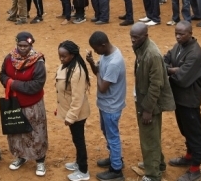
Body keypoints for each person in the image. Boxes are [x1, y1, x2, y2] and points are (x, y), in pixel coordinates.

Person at [130, 22, 175, 181]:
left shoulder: (152, 55)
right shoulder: (142, 48)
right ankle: (158, 164)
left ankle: (153, 174)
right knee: (151, 136)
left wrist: (148, 109)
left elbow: (157, 84)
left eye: (136, 37)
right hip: (144, 100)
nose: (132, 40)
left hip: (150, 104)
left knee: (149, 139)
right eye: (131, 37)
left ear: (145, 36)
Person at [0, 32, 48, 176]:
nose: (22, 48)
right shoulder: (9, 58)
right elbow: (2, 74)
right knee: (16, 131)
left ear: (31, 45)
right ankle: (21, 157)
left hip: (33, 105)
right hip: (14, 104)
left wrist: (12, 83)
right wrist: (7, 81)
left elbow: (36, 85)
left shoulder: (38, 61)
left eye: (25, 46)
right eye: (20, 45)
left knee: (36, 132)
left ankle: (40, 161)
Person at [163, 21, 201, 181]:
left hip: (190, 100)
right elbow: (165, 59)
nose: (178, 36)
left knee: (194, 132)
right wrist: (173, 69)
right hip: (179, 98)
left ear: (190, 33)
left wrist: (172, 70)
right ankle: (189, 156)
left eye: (181, 34)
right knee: (185, 129)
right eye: (176, 33)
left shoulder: (195, 53)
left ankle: (195, 168)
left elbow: (181, 78)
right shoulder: (179, 46)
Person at [85, 31, 127, 181]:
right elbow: (99, 71)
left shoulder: (114, 62)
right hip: (106, 104)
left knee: (113, 136)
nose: (96, 52)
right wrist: (91, 62)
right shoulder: (106, 54)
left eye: (96, 49)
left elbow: (103, 87)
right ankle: (115, 158)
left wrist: (96, 74)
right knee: (107, 132)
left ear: (103, 45)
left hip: (111, 106)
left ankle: (116, 170)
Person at [56, 40, 91, 181]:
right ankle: (78, 163)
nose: (61, 59)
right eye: (60, 56)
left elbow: (78, 98)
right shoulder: (67, 65)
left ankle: (83, 171)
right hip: (71, 111)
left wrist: (70, 117)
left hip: (77, 114)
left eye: (64, 56)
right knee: (76, 139)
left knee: (79, 140)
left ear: (72, 55)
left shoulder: (77, 71)